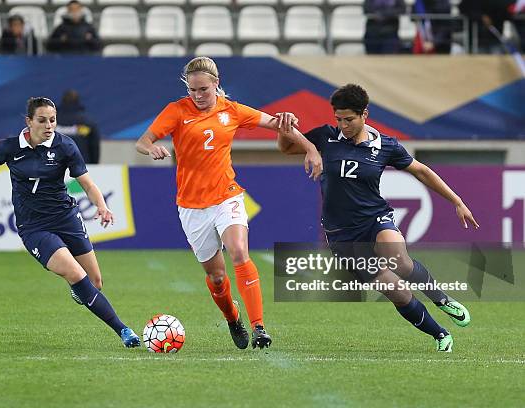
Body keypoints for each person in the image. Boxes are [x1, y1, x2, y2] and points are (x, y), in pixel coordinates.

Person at [135, 56, 322, 350]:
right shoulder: (176, 111)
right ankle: (232, 317)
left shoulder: (232, 111)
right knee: (217, 277)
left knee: (238, 251)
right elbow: (142, 141)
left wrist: (310, 147)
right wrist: (152, 148)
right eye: (193, 90)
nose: (197, 96)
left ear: (216, 85)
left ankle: (259, 327)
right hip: (192, 206)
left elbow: (277, 124)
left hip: (227, 196)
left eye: (203, 90)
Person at [277, 84, 479, 352]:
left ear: (364, 115)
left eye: (349, 119)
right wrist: (283, 128)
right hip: (341, 235)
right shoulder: (326, 137)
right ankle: (439, 334)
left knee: (398, 258)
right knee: (397, 292)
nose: (343, 125)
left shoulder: (386, 145)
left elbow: (421, 171)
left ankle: (441, 299)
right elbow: (287, 147)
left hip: (375, 218)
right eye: (338, 119)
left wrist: (457, 201)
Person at [0, 97, 140, 348]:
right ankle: (124, 330)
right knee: (75, 273)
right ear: (29, 121)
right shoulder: (10, 148)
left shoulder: (65, 146)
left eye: (53, 120)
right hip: (35, 227)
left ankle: (80, 288)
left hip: (66, 217)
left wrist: (102, 206)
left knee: (95, 282)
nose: (49, 125)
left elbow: (87, 183)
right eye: (42, 120)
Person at [56, 89, 100, 164]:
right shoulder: (87, 122)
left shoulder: (51, 121)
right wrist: (94, 165)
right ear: (78, 101)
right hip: (81, 166)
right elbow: (94, 146)